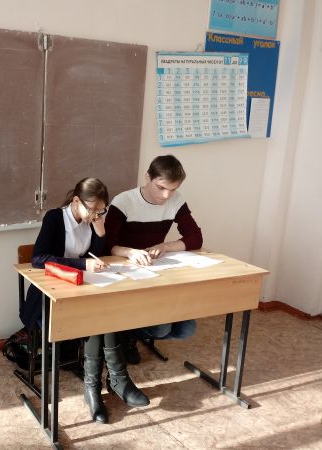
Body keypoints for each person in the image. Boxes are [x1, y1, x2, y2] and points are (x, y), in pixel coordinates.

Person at [20, 178, 149, 425]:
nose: (95, 215)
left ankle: (101, 386)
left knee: (104, 313)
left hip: (82, 291)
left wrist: (100, 234)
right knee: (98, 318)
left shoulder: (93, 221)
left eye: (101, 211)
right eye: (92, 210)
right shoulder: (55, 218)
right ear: (76, 200)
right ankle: (112, 381)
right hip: (50, 298)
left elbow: (96, 256)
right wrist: (81, 264)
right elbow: (39, 259)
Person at [105, 155, 203, 363]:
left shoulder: (176, 200)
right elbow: (106, 245)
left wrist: (165, 246)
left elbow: (195, 238)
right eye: (161, 187)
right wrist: (130, 252)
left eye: (173, 189)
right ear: (147, 177)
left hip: (154, 270)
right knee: (161, 328)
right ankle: (125, 335)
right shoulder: (124, 201)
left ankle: (132, 330)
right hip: (126, 271)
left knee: (187, 329)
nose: (166, 195)